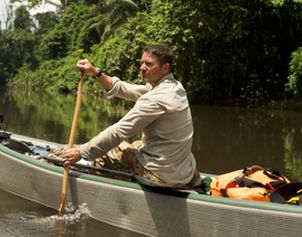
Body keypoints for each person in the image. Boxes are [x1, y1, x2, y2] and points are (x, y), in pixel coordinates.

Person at [60, 44, 200, 188]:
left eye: (149, 64)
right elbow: (125, 89)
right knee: (137, 144)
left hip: (160, 175)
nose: (142, 67)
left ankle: (91, 183)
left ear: (165, 68)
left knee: (110, 150)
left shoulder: (156, 98)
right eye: (142, 63)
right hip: (185, 172)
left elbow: (119, 131)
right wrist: (96, 73)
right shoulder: (175, 87)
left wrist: (82, 152)